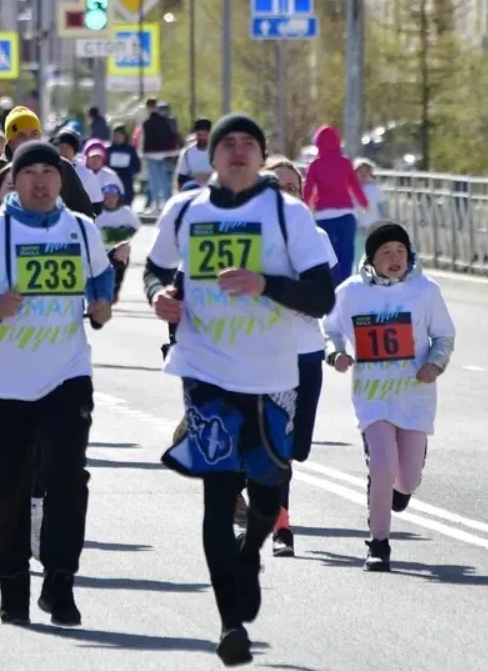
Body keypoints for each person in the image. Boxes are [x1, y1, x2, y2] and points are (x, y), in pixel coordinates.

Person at [146, 113, 336, 666]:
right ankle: (230, 623)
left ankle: (251, 549)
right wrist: (162, 295)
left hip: (274, 375)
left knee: (269, 489)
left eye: (247, 144)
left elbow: (322, 296)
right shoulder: (184, 210)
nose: (235, 152)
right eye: (226, 143)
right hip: (206, 372)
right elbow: (156, 270)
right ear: (211, 155)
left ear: (260, 155)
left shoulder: (286, 212)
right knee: (216, 491)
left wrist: (265, 285)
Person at [0, 141, 114, 628]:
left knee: (67, 479)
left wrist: (101, 305)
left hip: (67, 373)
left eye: (48, 173)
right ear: (14, 179)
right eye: (29, 172)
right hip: (5, 379)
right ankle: (12, 585)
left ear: (61, 179)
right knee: (8, 486)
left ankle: (60, 581)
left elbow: (101, 279)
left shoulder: (80, 228)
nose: (39, 181)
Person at [323, 220, 456, 572]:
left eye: (400, 250)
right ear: (371, 258)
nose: (394, 258)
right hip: (373, 394)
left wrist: (435, 365)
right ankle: (378, 543)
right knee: (382, 465)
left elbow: (444, 336)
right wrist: (335, 354)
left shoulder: (426, 290)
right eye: (385, 252)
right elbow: (330, 328)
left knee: (407, 478)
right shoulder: (351, 292)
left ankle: (402, 485)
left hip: (414, 393)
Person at [258, 156, 336, 558]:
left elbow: (327, 297)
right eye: (277, 187)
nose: (286, 194)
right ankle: (281, 525)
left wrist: (309, 303)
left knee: (298, 446)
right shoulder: (253, 239)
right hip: (269, 354)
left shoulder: (316, 237)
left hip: (308, 352)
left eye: (293, 187)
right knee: (279, 445)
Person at [302, 125, 371, 284]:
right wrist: (364, 203)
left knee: (327, 253)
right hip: (347, 214)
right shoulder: (345, 163)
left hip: (324, 215)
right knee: (346, 253)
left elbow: (308, 189)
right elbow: (354, 186)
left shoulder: (315, 165)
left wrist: (303, 208)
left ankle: (330, 285)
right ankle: (344, 285)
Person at [2, 108, 98, 216]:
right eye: (21, 136)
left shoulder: (62, 167)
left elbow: (84, 215)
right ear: (9, 141)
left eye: (34, 134)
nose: (29, 140)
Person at [93, 180, 139, 302]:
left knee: (119, 274)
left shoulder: (126, 212)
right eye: (107, 197)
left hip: (121, 250)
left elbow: (135, 227)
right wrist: (109, 234)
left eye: (114, 197)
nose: (111, 200)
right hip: (102, 251)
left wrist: (118, 234)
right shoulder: (97, 213)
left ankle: (115, 291)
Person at [139, 100, 182, 212]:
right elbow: (174, 138)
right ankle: (161, 204)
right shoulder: (169, 122)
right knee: (160, 181)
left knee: (159, 181)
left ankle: (160, 204)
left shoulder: (148, 122)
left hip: (157, 155)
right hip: (165, 155)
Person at [352, 158, 387, 257]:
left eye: (366, 171)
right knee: (357, 253)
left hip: (372, 226)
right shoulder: (350, 189)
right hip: (356, 226)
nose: (363, 174)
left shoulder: (375, 189)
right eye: (360, 171)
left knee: (372, 251)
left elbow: (383, 208)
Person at [176, 119, 214, 190]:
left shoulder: (217, 150)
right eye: (200, 135)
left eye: (205, 135)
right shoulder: (187, 152)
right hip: (194, 186)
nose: (202, 138)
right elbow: (181, 177)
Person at [106, 125, 141, 201]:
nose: (117, 137)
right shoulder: (109, 150)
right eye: (115, 135)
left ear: (124, 136)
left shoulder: (130, 150)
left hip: (126, 181)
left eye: (119, 135)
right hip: (112, 180)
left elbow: (137, 167)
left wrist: (128, 170)